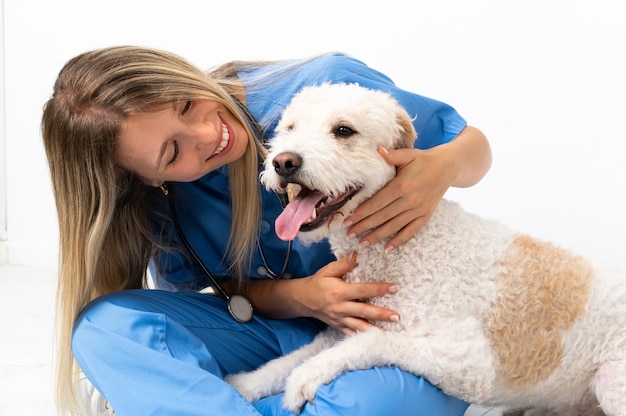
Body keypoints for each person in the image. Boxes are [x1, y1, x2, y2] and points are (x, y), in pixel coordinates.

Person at [41, 46, 492, 416]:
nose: (206, 132)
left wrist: (443, 166)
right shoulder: (161, 205)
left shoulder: (320, 88)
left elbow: (473, 145)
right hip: (269, 336)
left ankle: (198, 403)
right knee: (103, 327)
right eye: (173, 151)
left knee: (387, 399)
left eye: (186, 104)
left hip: (394, 331)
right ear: (149, 180)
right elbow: (224, 292)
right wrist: (302, 296)